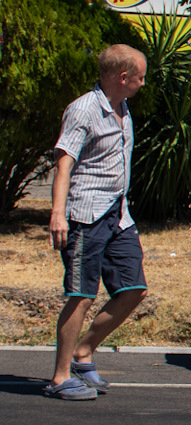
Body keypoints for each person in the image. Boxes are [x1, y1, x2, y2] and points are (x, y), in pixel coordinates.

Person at [46, 44, 149, 401]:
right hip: (85, 215)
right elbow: (64, 163)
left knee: (133, 288)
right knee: (81, 295)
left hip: (118, 215)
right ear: (123, 77)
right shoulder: (84, 110)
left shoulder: (122, 108)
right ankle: (60, 378)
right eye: (140, 77)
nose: (142, 83)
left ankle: (84, 351)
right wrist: (58, 213)